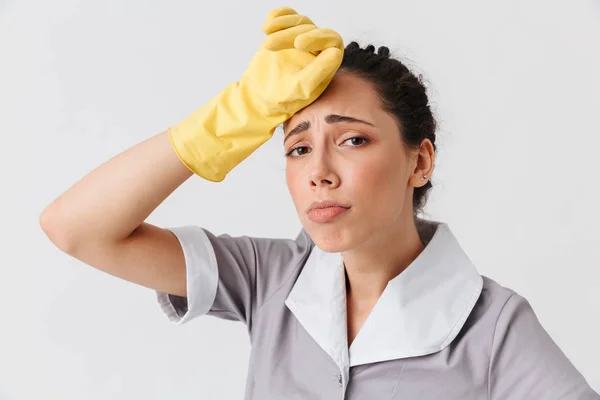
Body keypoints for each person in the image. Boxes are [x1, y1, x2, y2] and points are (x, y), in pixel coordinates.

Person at [39, 6, 599, 400]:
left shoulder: (494, 328)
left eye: (353, 139)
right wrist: (225, 120)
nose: (318, 174)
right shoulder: (268, 279)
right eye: (298, 147)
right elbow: (75, 228)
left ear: (419, 161)